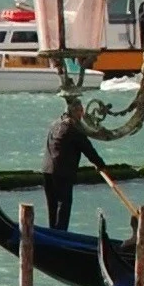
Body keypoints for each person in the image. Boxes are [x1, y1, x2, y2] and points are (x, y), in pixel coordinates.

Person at [41, 98, 108, 232]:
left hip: (47, 170)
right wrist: (101, 165)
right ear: (77, 112)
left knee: (52, 206)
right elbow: (88, 149)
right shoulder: (74, 128)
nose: (82, 115)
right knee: (63, 205)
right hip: (62, 172)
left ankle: (54, 234)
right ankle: (60, 235)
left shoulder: (55, 123)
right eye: (81, 111)